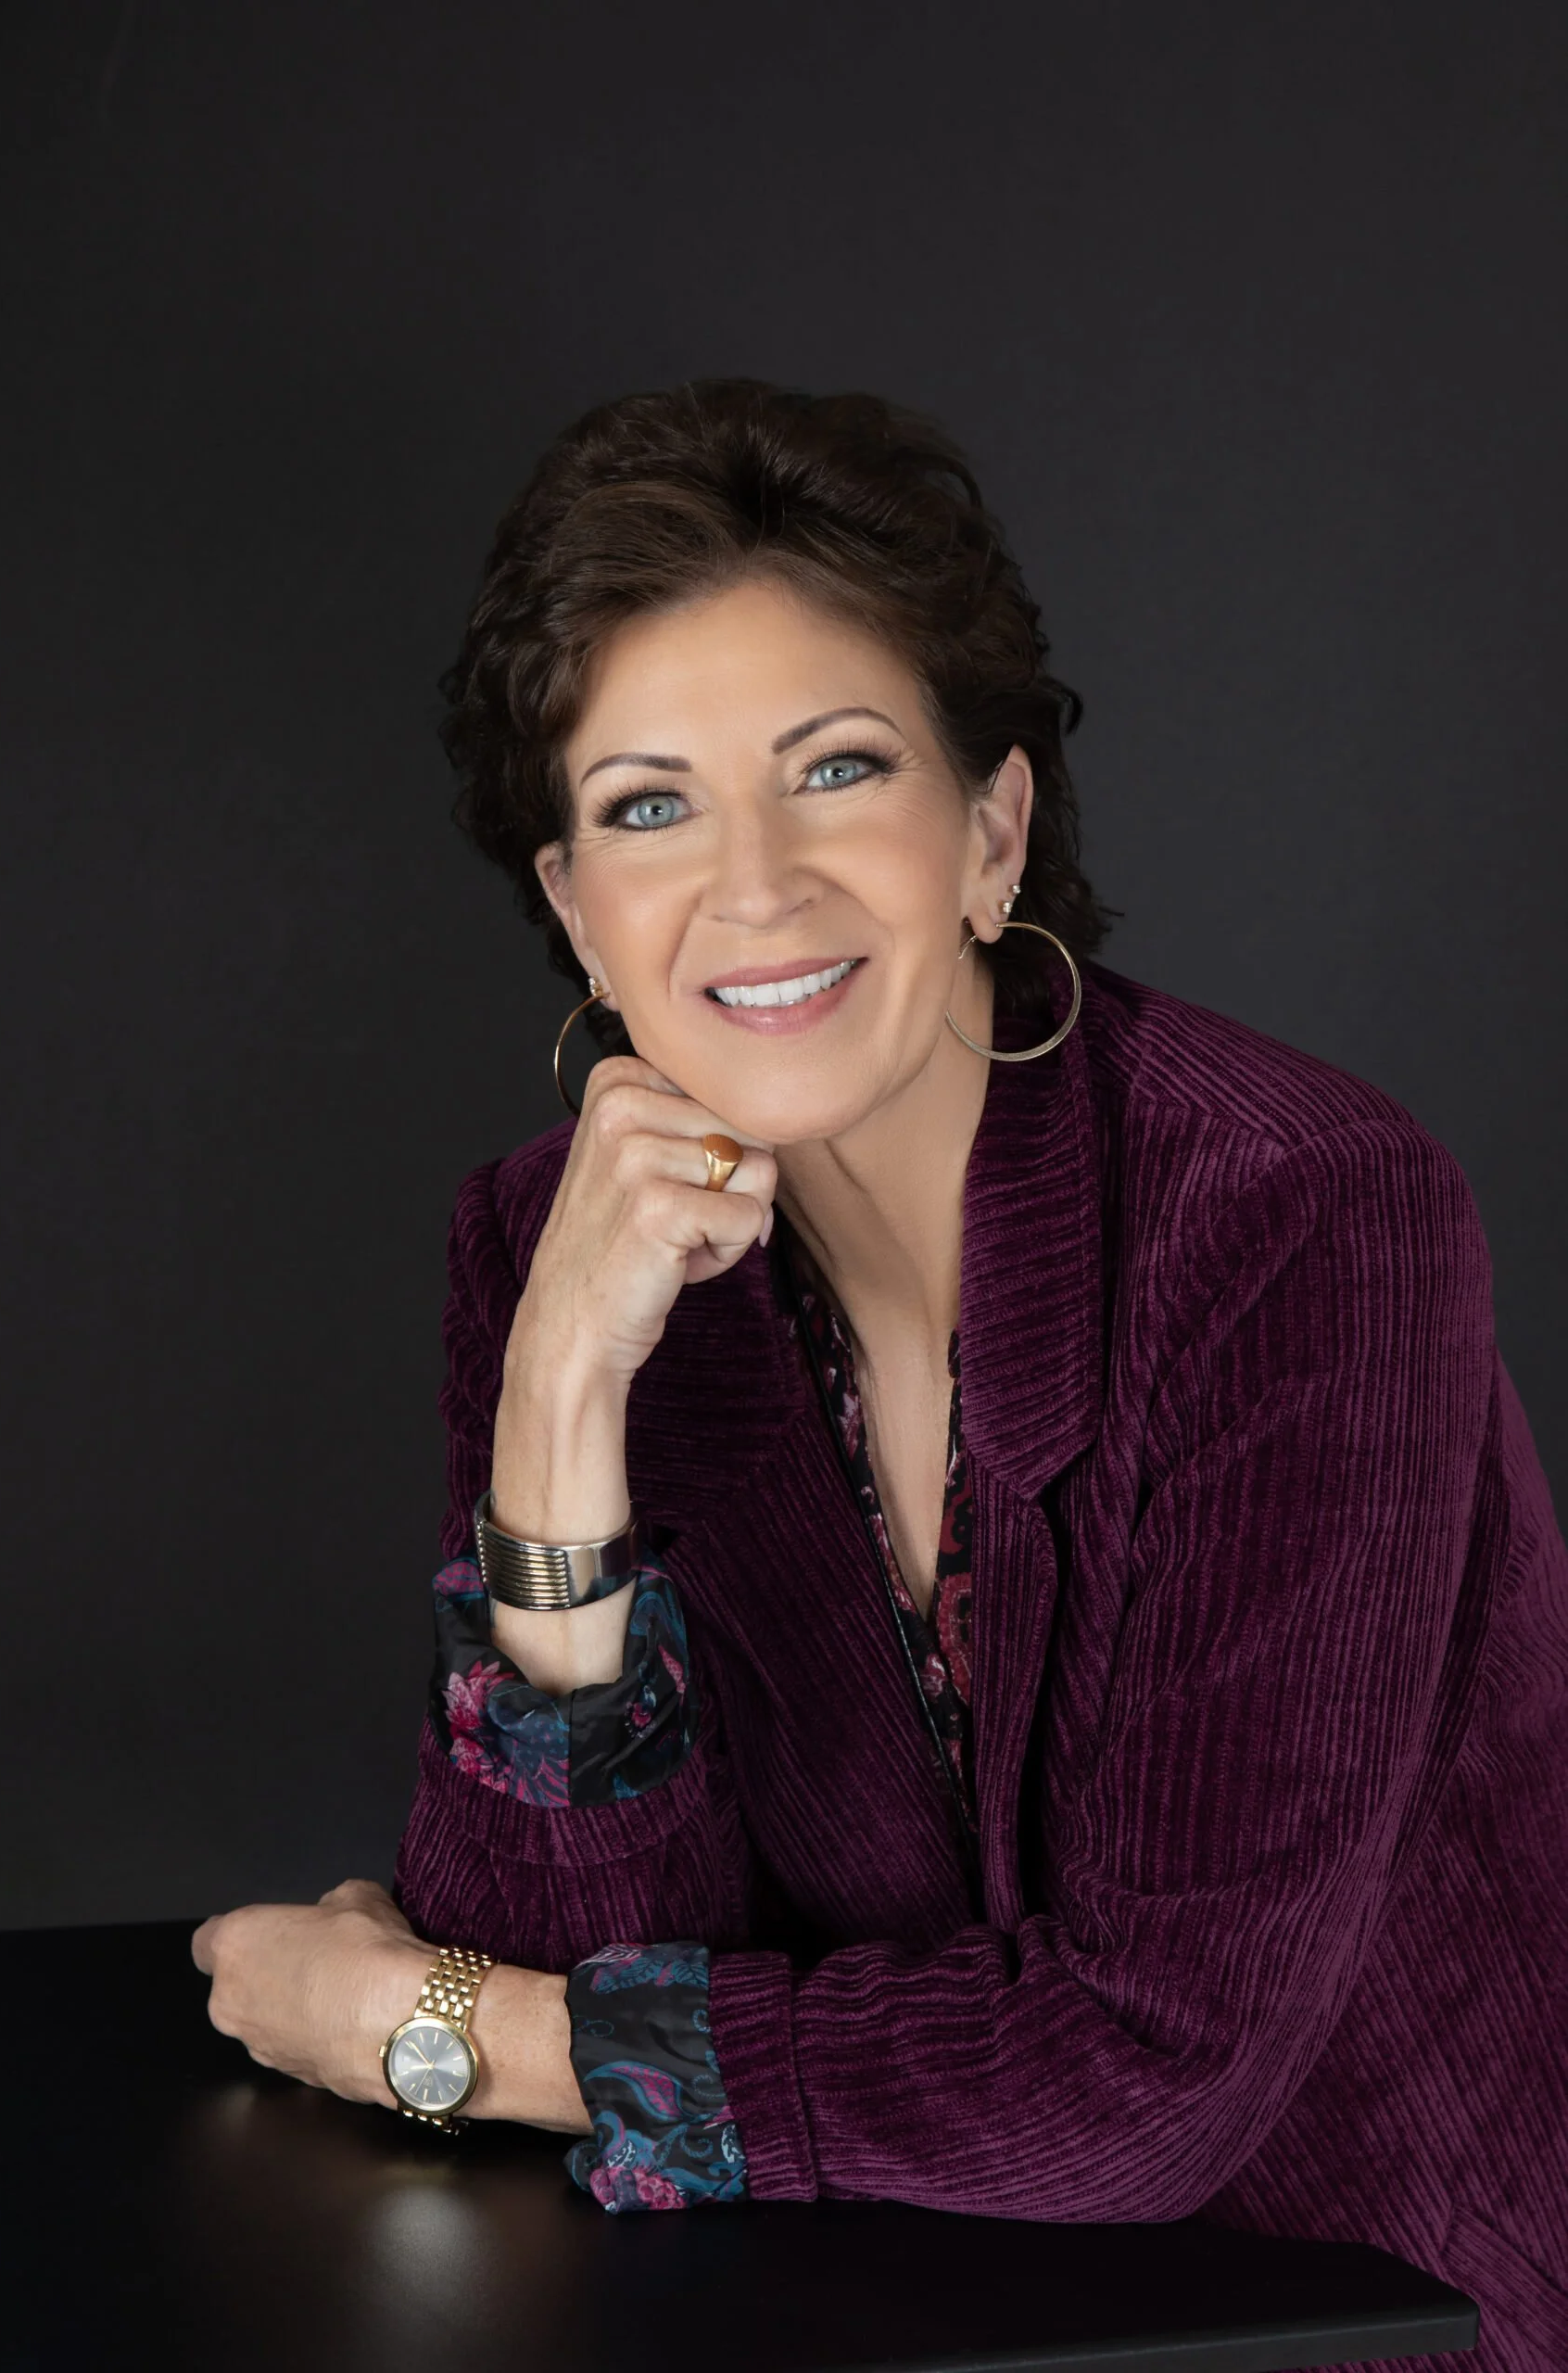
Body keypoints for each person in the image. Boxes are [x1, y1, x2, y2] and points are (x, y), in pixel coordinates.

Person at [194, 378, 1568, 2370]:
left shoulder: (1300, 1216)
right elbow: (569, 1935)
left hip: (1392, 2297)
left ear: (989, 826)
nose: (752, 886)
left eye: (835, 768)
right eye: (647, 803)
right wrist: (557, 1414)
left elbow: (1148, 2073)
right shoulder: (553, 1249)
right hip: (910, 2301)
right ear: (577, 908)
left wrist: (432, 2041)